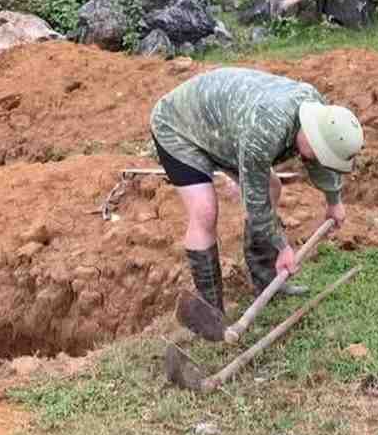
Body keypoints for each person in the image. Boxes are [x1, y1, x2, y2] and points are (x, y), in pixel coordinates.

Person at [149, 68, 364, 318]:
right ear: (311, 134)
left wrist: (334, 201)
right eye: (319, 153)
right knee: (204, 211)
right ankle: (211, 313)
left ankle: (266, 283)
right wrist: (282, 246)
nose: (317, 159)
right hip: (179, 127)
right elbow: (255, 202)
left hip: (227, 127)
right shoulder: (265, 131)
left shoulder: (319, 114)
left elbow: (314, 162)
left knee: (273, 186)